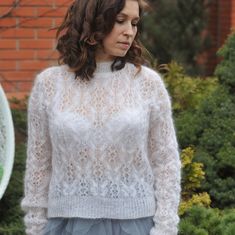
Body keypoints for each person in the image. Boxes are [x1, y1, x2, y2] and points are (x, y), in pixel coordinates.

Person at [21, 0, 181, 234]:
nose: (130, 31)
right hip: (67, 223)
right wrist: (35, 225)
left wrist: (165, 226)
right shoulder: (49, 85)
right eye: (120, 21)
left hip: (135, 223)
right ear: (94, 23)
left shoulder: (147, 84)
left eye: (134, 23)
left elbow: (166, 161)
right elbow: (39, 162)